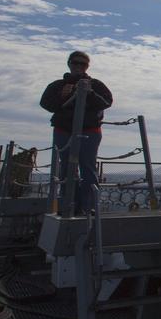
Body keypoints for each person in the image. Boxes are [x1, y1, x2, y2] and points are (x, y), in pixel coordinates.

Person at [39, 50, 113, 214]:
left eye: (83, 63)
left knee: (88, 168)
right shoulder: (57, 86)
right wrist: (62, 96)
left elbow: (106, 102)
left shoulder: (96, 85)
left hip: (90, 131)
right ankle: (68, 205)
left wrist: (89, 93)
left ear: (87, 66)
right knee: (66, 168)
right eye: (76, 63)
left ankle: (88, 207)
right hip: (63, 131)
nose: (79, 66)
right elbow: (46, 103)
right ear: (69, 64)